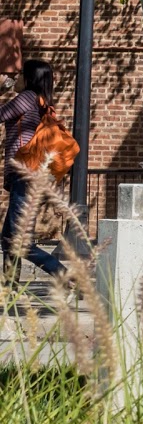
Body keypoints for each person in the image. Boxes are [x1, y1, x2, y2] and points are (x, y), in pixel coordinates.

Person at [0, 60, 65, 279]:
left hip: (24, 175)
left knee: (21, 242)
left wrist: (1, 88)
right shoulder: (41, 101)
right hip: (29, 176)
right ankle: (9, 289)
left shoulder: (27, 97)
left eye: (19, 75)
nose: (15, 78)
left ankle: (65, 275)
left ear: (29, 79)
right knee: (9, 238)